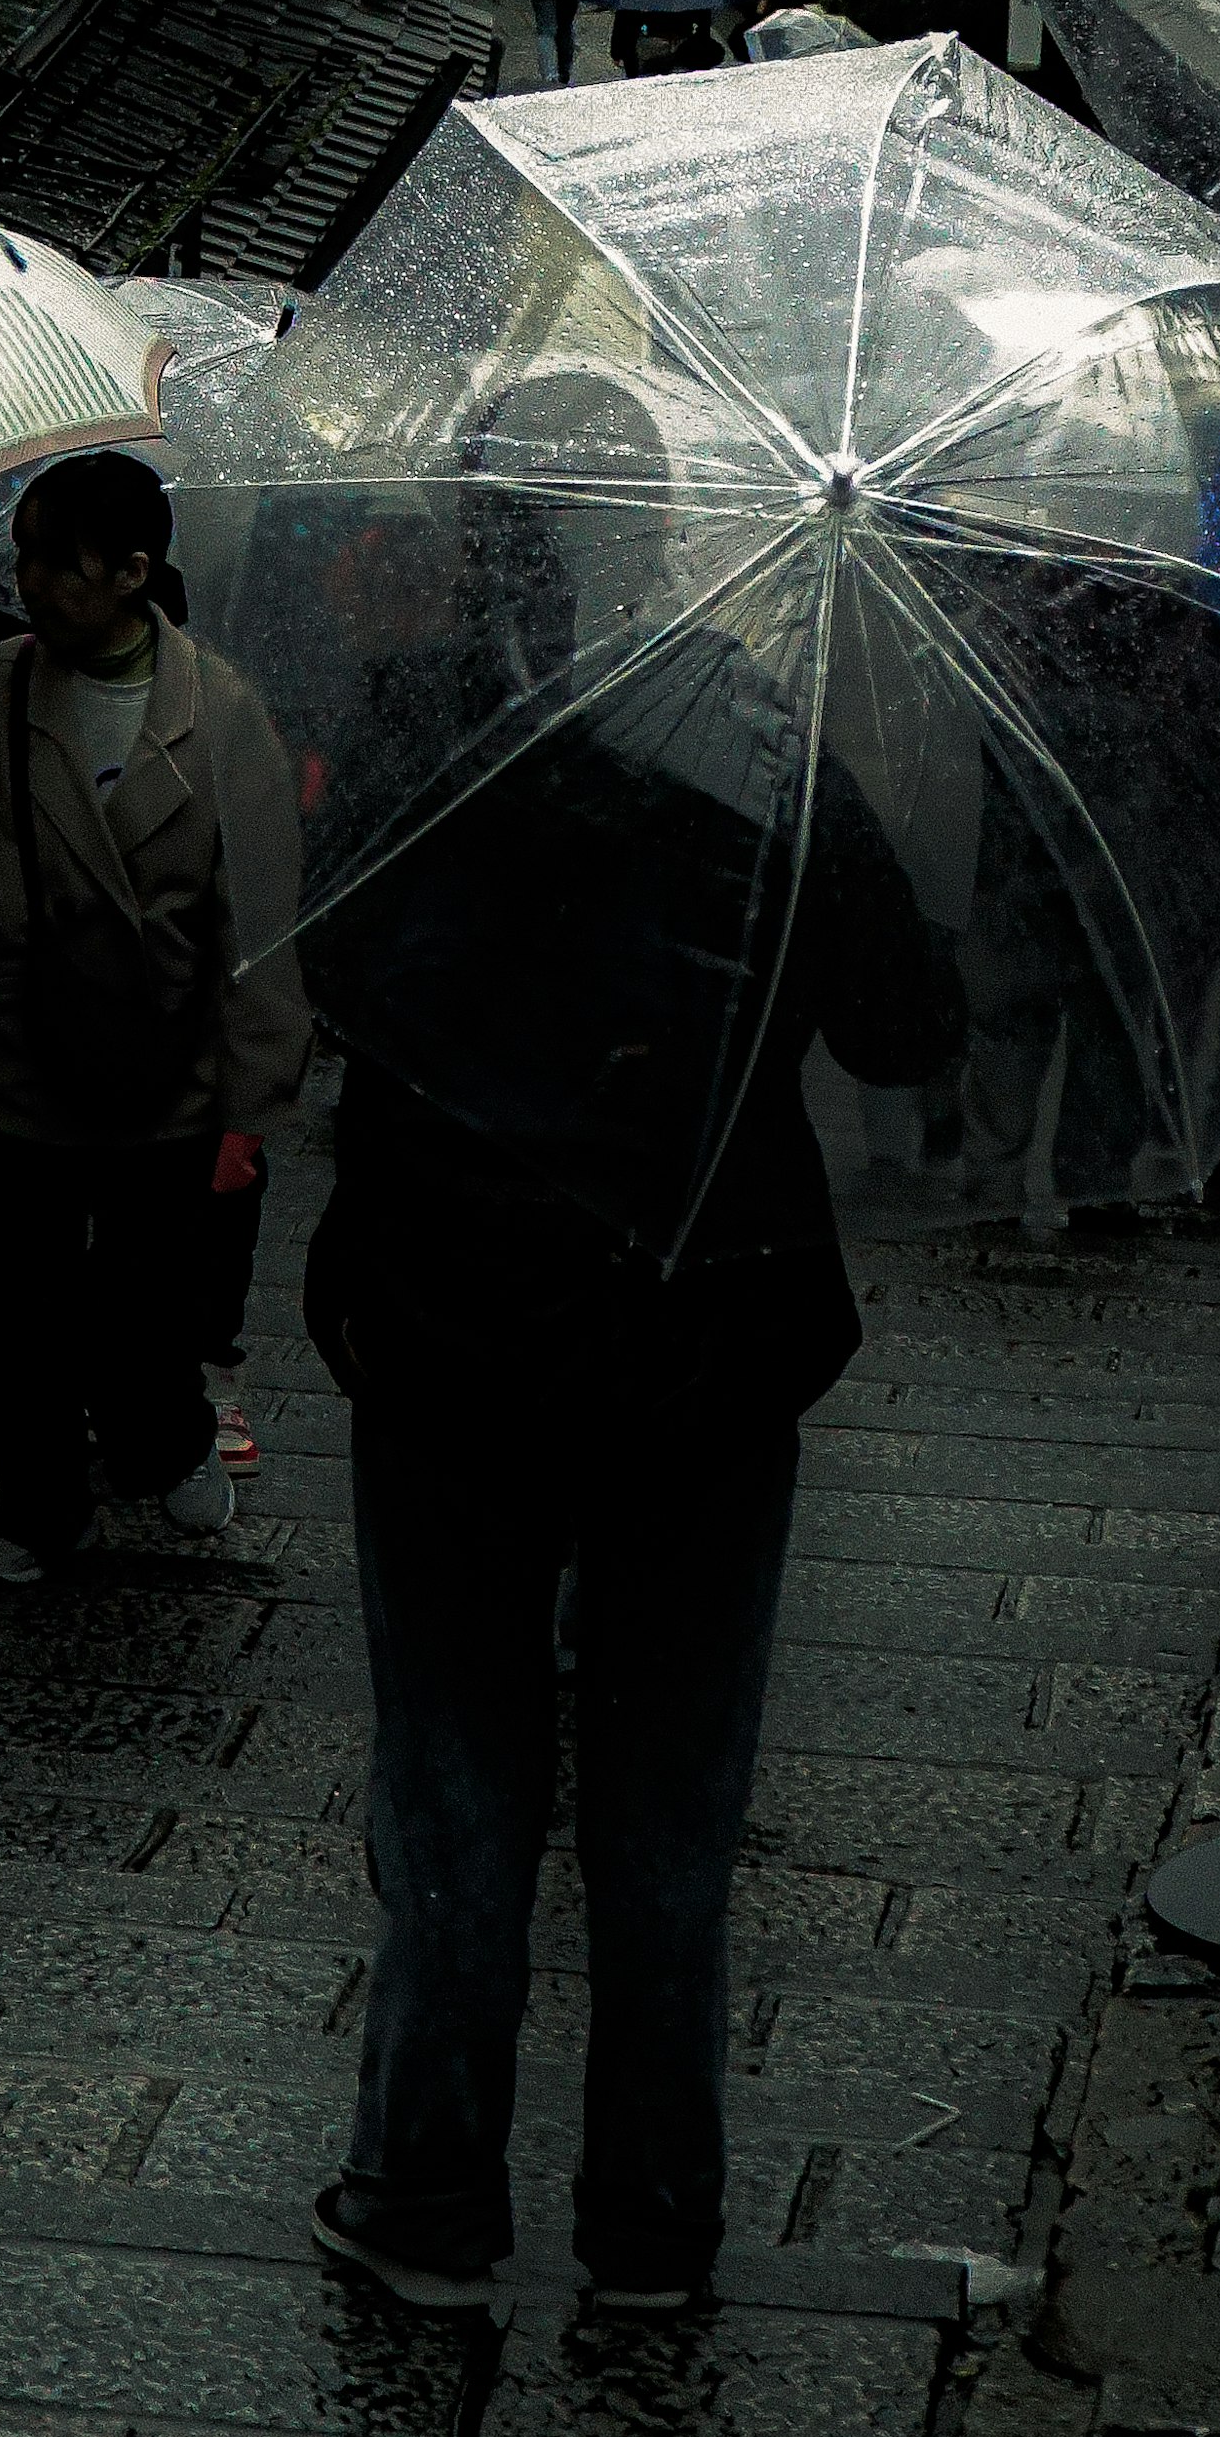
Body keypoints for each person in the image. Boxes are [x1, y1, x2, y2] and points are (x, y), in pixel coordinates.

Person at [301, 672, 966, 2318]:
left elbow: (326, 975)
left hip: (454, 1338)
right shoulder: (765, 751)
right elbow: (908, 1025)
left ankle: (430, 2193)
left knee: (456, 1798)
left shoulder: (422, 749)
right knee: (668, 1821)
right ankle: (654, 2220)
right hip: (704, 1350)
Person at [0, 448, 305, 1587]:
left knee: (142, 1323)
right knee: (18, 1313)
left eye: (58, 561)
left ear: (134, 571)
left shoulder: (222, 715)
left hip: (162, 1074)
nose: (30, 581)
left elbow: (261, 925)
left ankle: (167, 1435)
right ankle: (41, 1508)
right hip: (13, 1056)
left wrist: (253, 1104)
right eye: (26, 555)